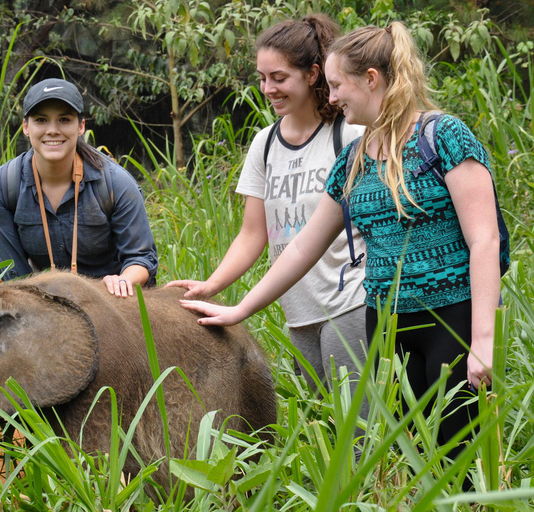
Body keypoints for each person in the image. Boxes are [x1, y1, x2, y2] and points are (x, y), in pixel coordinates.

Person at [180, 21, 502, 469]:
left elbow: (483, 240)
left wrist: (482, 340)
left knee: (458, 449)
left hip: (451, 316)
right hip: (387, 321)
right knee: (408, 456)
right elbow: (299, 248)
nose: (331, 98)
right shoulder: (353, 160)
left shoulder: (443, 136)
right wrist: (238, 309)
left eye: (336, 85)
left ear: (371, 79)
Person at [167, 15, 369, 399]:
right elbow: (252, 233)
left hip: (351, 301)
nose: (267, 88)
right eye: (261, 78)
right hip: (297, 308)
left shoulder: (350, 134)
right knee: (321, 424)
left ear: (312, 74)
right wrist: (212, 285)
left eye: (278, 78)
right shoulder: (265, 143)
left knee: (358, 431)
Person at [0, 78, 158, 297]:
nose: (53, 130)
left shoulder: (115, 183)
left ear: (81, 126)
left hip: (112, 302)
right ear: (26, 127)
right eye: (41, 120)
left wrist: (123, 280)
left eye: (64, 119)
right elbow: (14, 278)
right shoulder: (0, 188)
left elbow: (142, 259)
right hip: (43, 304)